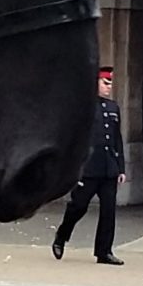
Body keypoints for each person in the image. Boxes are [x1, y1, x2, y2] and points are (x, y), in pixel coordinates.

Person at [51, 67, 128, 266]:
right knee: (78, 206)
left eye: (110, 84)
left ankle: (104, 251)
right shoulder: (83, 107)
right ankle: (62, 235)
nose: (108, 88)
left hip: (108, 167)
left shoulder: (113, 108)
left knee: (109, 211)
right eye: (105, 83)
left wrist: (120, 168)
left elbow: (117, 139)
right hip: (88, 167)